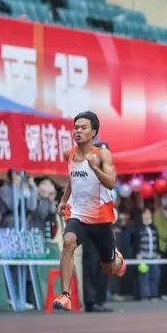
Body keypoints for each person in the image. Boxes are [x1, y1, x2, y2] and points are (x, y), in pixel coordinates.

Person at [52, 112, 127, 312]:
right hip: (78, 214)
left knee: (109, 269)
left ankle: (117, 258)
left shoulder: (102, 155)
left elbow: (111, 183)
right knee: (68, 242)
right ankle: (65, 295)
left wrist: (95, 168)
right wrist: (63, 200)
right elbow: (73, 180)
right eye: (76, 127)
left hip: (101, 218)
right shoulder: (69, 155)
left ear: (93, 132)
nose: (78, 131)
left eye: (83, 128)